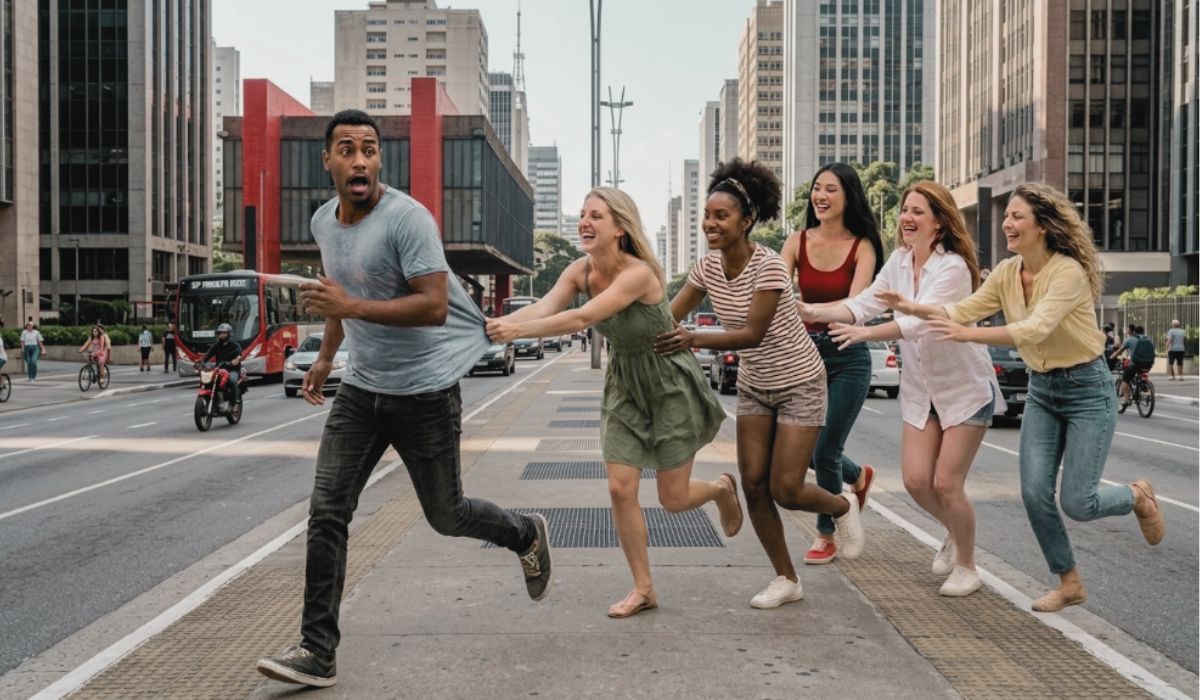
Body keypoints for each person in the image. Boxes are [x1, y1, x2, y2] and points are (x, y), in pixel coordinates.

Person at [256, 110, 551, 689]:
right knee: (327, 514)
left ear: (378, 159)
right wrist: (324, 357)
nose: (359, 160)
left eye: (369, 149)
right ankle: (318, 651)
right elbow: (342, 293)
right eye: (347, 149)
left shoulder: (408, 220)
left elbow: (433, 307)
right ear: (328, 161)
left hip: (424, 393)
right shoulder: (323, 223)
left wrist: (349, 310)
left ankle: (524, 532)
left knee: (448, 516)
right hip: (361, 391)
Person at [877, 183, 1165, 612]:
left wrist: (966, 334)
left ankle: (1136, 495)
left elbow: (1033, 329)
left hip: (1087, 389)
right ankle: (1069, 581)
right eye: (1006, 216)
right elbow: (963, 309)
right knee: (1033, 492)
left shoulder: (1067, 273)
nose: (1007, 224)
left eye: (1016, 217)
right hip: (1044, 389)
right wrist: (913, 307)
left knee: (1078, 503)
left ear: (1043, 227)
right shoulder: (1008, 273)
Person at [486, 186, 739, 619]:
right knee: (621, 487)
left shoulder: (638, 273)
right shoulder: (579, 271)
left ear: (620, 227)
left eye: (596, 216)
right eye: (583, 214)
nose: (585, 221)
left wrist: (517, 335)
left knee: (673, 499)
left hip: (667, 382)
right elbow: (546, 306)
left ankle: (720, 489)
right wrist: (498, 324)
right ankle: (644, 588)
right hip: (624, 382)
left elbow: (584, 318)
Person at [654, 159, 864, 609]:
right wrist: (629, 324)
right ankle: (786, 578)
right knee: (753, 484)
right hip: (754, 385)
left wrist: (693, 338)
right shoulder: (707, 268)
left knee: (786, 489)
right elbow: (667, 316)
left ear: (746, 221)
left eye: (721, 216)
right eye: (707, 216)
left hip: (801, 383)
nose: (711, 224)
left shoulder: (767, 266)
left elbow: (752, 334)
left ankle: (843, 505)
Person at [801, 181, 1005, 597]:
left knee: (947, 484)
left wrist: (864, 334)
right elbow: (863, 302)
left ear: (940, 224)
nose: (907, 218)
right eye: (905, 210)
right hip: (921, 390)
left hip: (964, 389)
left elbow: (918, 322)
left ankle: (967, 565)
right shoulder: (898, 260)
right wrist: (809, 309)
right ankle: (955, 530)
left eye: (918, 212)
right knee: (915, 481)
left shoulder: (953, 269)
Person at [779, 162, 882, 564]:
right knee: (798, 448)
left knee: (824, 450)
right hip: (804, 358)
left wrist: (808, 309)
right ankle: (856, 476)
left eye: (831, 190)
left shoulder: (864, 247)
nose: (820, 196)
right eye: (816, 188)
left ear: (848, 197)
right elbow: (776, 291)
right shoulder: (796, 240)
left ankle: (825, 533)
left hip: (847, 357)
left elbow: (854, 308)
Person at [1111, 323, 1155, 412]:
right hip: (1149, 364)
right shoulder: (1148, 339)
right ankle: (1142, 386)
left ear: (1133, 331)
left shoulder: (1130, 339)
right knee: (1138, 373)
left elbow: (1119, 351)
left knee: (1125, 379)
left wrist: (1112, 357)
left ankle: (1126, 400)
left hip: (1136, 364)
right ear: (1143, 332)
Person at [201, 323, 244, 405]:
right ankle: (211, 399)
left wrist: (236, 360)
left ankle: (236, 402)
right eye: (220, 333)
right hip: (219, 369)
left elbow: (239, 354)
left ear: (229, 334)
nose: (222, 335)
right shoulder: (216, 346)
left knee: (232, 380)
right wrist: (202, 362)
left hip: (232, 369)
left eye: (224, 333)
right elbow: (208, 355)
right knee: (209, 380)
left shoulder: (235, 345)